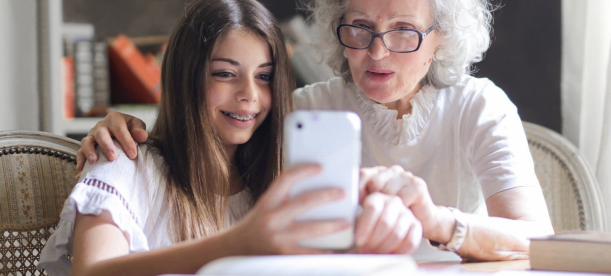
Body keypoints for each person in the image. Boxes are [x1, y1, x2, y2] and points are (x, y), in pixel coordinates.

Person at [77, 0, 555, 262]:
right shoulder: (299, 112)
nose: (377, 52)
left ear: (441, 40)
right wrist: (119, 126)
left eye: (404, 31)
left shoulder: (479, 105)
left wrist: (437, 221)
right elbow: (211, 139)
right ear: (336, 29)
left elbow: (537, 238)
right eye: (359, 28)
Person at [38, 1, 422, 275]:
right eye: (225, 73)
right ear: (186, 76)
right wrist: (240, 242)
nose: (249, 95)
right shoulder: (124, 161)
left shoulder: (275, 177)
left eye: (265, 76)